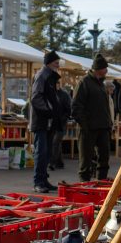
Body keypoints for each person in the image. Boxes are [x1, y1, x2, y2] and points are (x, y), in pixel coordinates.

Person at [72, 54, 114, 182]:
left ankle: (101, 181)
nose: (106, 70)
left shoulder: (101, 84)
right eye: (105, 68)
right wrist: (84, 125)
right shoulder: (84, 82)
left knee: (104, 158)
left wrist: (109, 124)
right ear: (98, 69)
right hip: (88, 128)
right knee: (86, 160)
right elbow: (76, 106)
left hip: (103, 127)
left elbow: (105, 107)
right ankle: (84, 184)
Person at [29, 51, 61, 192]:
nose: (58, 65)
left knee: (46, 152)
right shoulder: (43, 75)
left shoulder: (49, 76)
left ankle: (43, 180)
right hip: (41, 120)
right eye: (56, 62)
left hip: (48, 120)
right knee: (41, 152)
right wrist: (49, 111)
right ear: (49, 63)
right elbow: (36, 97)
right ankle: (38, 182)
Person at [50, 86, 72, 171]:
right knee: (56, 143)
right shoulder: (51, 93)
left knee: (55, 142)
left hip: (61, 123)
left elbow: (68, 109)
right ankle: (59, 163)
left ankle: (52, 163)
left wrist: (63, 118)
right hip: (53, 123)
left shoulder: (64, 95)